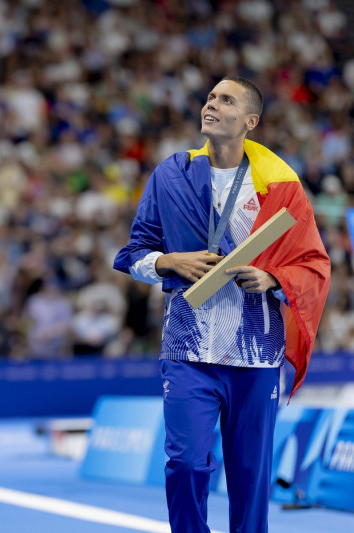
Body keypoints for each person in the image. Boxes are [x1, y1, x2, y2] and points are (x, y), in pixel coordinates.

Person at [113, 76, 331, 533]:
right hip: (189, 350)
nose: (212, 104)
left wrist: (273, 278)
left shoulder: (279, 187)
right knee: (187, 464)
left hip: (255, 354)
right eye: (211, 97)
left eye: (226, 100)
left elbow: (312, 264)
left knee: (251, 478)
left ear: (249, 121)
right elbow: (132, 255)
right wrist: (169, 260)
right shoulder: (170, 175)